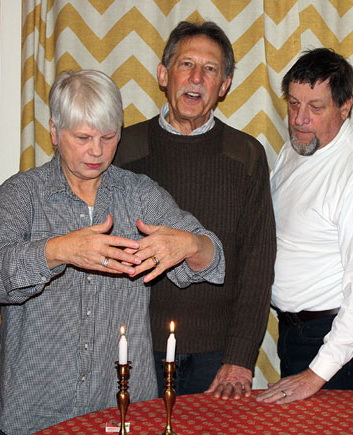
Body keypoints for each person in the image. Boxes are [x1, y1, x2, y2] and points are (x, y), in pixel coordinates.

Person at [0, 70, 225, 435]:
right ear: (54, 131)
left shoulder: (139, 195)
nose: (97, 151)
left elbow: (214, 257)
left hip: (121, 409)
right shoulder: (22, 195)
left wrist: (191, 245)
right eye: (82, 137)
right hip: (34, 410)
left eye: (108, 137)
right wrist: (59, 250)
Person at [113, 21, 276, 400]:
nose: (197, 78)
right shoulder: (120, 149)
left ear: (225, 85)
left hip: (217, 354)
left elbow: (258, 264)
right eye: (186, 64)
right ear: (163, 74)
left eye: (211, 69)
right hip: (134, 345)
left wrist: (240, 357)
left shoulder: (247, 155)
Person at [257, 48, 353, 405]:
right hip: (296, 332)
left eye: (316, 108)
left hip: (339, 341)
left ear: (345, 107)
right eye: (294, 103)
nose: (300, 119)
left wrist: (317, 373)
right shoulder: (297, 148)